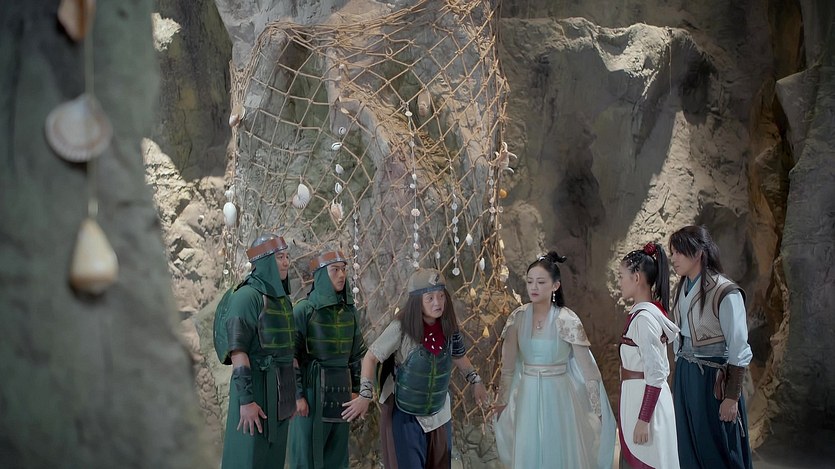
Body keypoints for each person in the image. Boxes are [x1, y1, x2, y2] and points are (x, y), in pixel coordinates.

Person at [341, 268, 489, 469]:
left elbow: (458, 356)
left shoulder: (449, 329)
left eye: (441, 296)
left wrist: (476, 380)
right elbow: (371, 357)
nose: (437, 303)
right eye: (430, 298)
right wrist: (365, 395)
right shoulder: (401, 328)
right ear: (417, 301)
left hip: (439, 413)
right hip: (406, 415)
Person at [493, 251, 616, 468]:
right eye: (530, 281)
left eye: (541, 282)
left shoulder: (567, 319)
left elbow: (588, 369)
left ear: (555, 286)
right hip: (528, 394)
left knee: (558, 447)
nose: (534, 287)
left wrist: (597, 409)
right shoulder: (517, 318)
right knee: (529, 446)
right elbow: (508, 368)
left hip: (559, 396)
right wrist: (502, 402)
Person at [669, 225, 753, 469]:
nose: (673, 258)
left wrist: (732, 396)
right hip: (685, 375)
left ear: (698, 253)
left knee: (717, 447)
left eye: (679, 252)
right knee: (687, 445)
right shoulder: (681, 288)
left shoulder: (725, 291)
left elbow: (738, 345)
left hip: (712, 380)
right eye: (672, 253)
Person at [221, 234, 299, 469]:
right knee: (248, 459)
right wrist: (246, 401)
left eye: (286, 257)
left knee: (273, 460)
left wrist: (290, 396)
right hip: (255, 389)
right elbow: (238, 351)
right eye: (280, 257)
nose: (286, 263)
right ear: (264, 260)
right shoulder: (246, 297)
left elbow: (288, 353)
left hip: (280, 394)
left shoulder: (283, 301)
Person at [290, 250, 367, 469]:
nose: (341, 275)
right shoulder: (304, 310)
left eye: (343, 269)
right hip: (312, 392)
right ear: (322, 275)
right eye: (335, 270)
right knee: (306, 457)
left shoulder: (350, 312)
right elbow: (290, 355)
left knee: (337, 458)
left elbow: (356, 354)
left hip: (342, 393)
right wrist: (297, 395)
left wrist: (356, 389)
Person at [617, 242, 681, 469]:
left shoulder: (644, 320)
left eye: (621, 276)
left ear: (636, 278)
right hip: (637, 398)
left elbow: (656, 372)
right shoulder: (642, 316)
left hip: (645, 405)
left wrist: (644, 419)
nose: (619, 282)